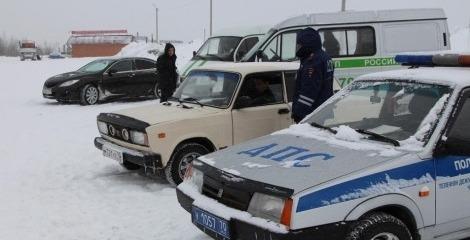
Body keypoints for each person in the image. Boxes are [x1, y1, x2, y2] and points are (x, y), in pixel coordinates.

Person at [292, 28, 335, 123]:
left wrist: (299, 113)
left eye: (300, 45)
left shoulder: (313, 62)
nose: (298, 47)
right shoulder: (325, 57)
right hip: (321, 110)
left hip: (311, 114)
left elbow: (309, 90)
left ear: (307, 44)